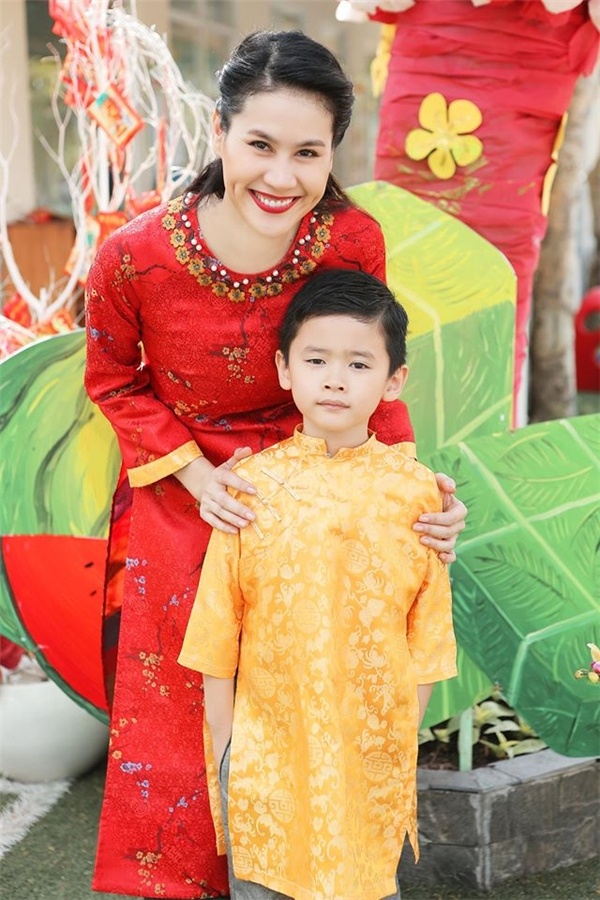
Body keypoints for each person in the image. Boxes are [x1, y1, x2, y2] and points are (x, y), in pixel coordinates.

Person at [84, 30, 466, 899]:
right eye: (260, 144)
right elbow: (111, 378)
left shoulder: (352, 239)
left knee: (322, 692)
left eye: (308, 153)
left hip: (323, 483)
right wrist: (198, 479)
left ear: (334, 153)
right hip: (192, 492)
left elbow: (369, 367)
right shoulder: (132, 256)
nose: (282, 176)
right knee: (185, 712)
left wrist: (410, 497)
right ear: (219, 133)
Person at [178, 268, 458, 900]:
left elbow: (428, 636)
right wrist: (226, 748)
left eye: (359, 364)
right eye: (316, 359)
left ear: (394, 381)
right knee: (265, 882)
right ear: (284, 369)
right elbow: (217, 628)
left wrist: (398, 738)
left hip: (370, 751)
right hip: (265, 747)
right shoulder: (250, 486)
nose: (335, 379)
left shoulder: (416, 492)